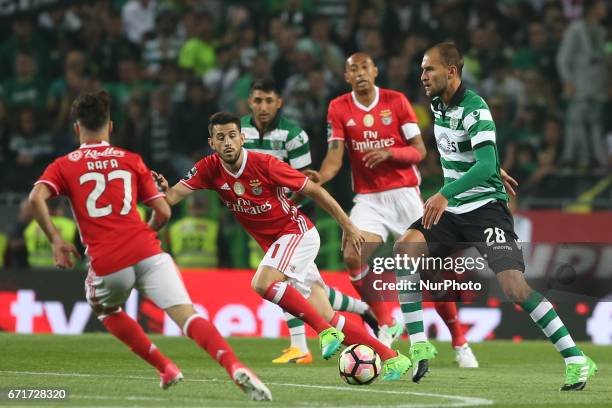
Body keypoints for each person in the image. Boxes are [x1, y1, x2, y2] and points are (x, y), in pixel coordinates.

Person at [27, 90, 272, 401]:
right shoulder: (130, 160)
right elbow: (164, 212)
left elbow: (36, 198)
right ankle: (234, 364)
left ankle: (165, 367)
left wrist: (57, 240)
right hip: (149, 251)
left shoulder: (64, 165)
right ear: (111, 126)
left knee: (104, 307)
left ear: (77, 128)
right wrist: (147, 232)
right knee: (188, 315)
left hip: (108, 261)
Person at [396, 41, 596, 391]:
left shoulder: (475, 108)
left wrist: (453, 189)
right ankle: (418, 344)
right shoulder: (438, 104)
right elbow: (475, 154)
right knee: (404, 250)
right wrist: (488, 168)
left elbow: (484, 162)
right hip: (454, 212)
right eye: (422, 69)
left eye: (429, 69)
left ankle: (577, 359)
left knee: (514, 288)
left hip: (486, 211)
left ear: (452, 71)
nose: (422, 75)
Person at [155, 111, 412, 381]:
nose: (228, 142)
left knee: (262, 283)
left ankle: (325, 332)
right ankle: (392, 358)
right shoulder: (208, 169)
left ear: (242, 138)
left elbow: (315, 190)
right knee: (327, 313)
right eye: (221, 138)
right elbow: (172, 196)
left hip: (297, 234)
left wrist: (347, 225)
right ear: (212, 143)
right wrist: (161, 192)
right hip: (280, 245)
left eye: (232, 135)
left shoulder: (264, 163)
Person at [307, 52, 476, 375]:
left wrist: (389, 153)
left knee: (431, 274)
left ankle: (459, 342)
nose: (359, 73)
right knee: (352, 253)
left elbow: (419, 150)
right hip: (369, 199)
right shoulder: (338, 107)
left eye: (364, 67)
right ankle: (386, 321)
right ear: (346, 77)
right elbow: (334, 155)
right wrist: (322, 177)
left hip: (405, 196)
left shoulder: (396, 101)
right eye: (352, 69)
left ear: (375, 70)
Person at [242, 78, 375, 364]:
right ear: (249, 102)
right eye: (257, 100)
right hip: (262, 221)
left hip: (291, 218)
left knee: (283, 280)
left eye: (268, 100)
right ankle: (364, 310)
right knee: (310, 286)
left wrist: (283, 207)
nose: (263, 107)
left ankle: (301, 346)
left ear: (279, 102)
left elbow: (306, 184)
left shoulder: (294, 135)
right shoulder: (238, 132)